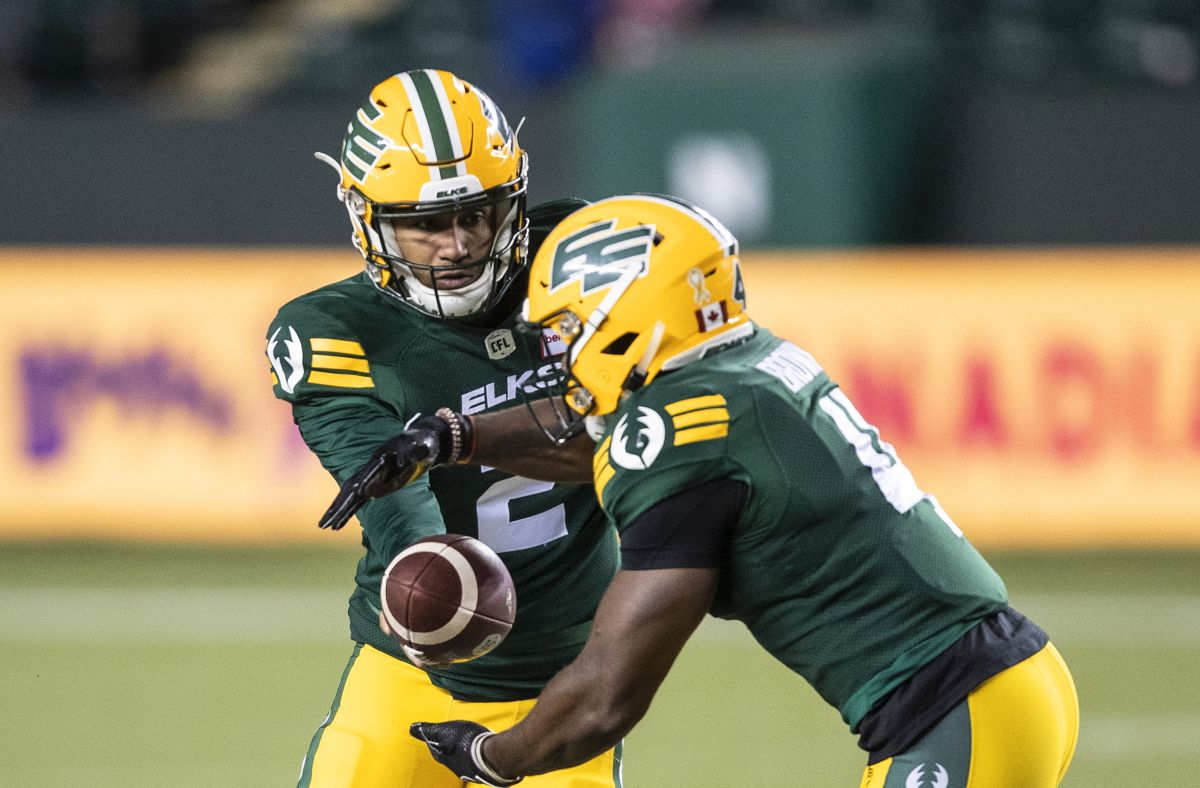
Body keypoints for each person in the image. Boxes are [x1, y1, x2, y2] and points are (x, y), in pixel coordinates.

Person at [323, 194, 1081, 787]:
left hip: (953, 709)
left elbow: (606, 694)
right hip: (999, 687)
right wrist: (460, 436)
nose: (563, 350)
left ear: (625, 313)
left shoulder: (679, 430)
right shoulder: (744, 368)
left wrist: (496, 754)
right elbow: (600, 436)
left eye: (570, 328)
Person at [265, 69, 624, 788]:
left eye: (478, 215)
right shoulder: (333, 330)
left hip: (568, 685)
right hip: (411, 671)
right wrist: (440, 583)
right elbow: (396, 500)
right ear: (369, 220)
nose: (457, 245)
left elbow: (641, 432)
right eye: (425, 223)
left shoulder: (581, 262)